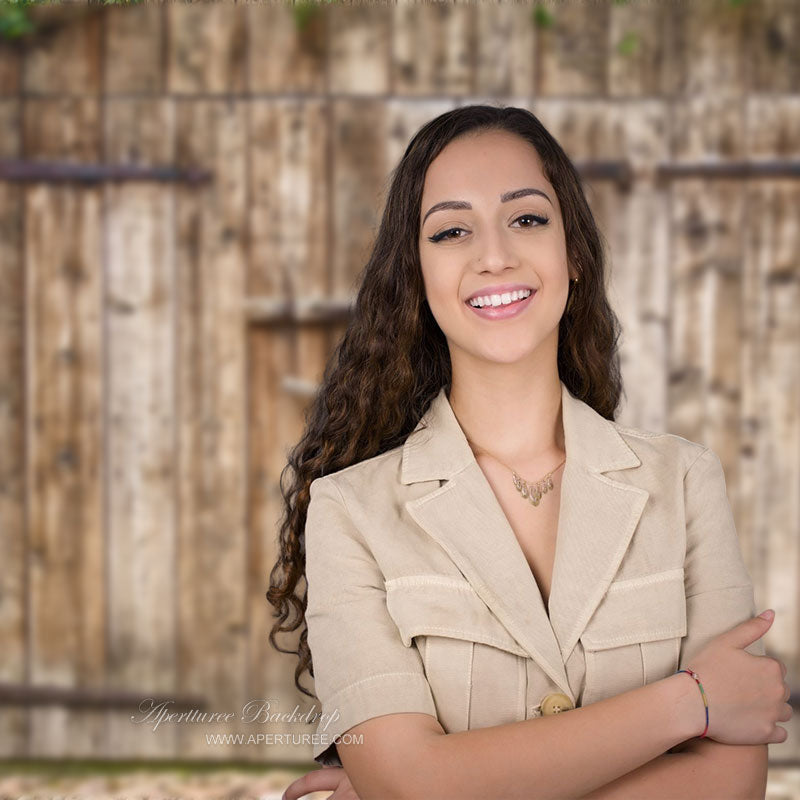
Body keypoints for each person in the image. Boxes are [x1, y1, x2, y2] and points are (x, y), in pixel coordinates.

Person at [268, 104, 792, 800]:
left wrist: (437, 786)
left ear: (572, 251)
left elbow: (730, 786)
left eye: (527, 218)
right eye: (452, 231)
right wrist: (688, 703)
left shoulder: (686, 483)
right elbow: (410, 784)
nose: (494, 255)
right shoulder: (348, 512)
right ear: (416, 277)